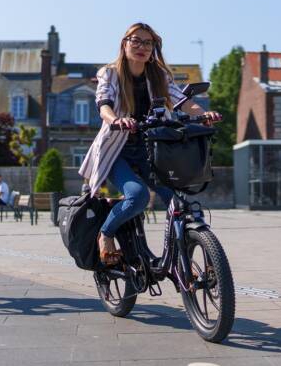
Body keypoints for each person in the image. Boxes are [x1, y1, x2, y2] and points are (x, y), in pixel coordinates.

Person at [79, 22, 222, 265]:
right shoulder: (110, 73)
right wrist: (116, 119)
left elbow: (182, 101)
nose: (142, 47)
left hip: (152, 150)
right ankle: (106, 234)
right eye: (136, 40)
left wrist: (203, 114)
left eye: (148, 42)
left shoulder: (159, 75)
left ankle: (183, 263)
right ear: (124, 44)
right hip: (117, 151)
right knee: (138, 196)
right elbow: (103, 104)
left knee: (179, 201)